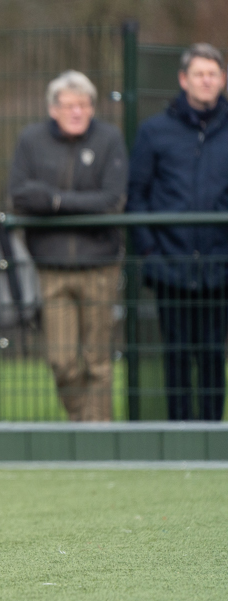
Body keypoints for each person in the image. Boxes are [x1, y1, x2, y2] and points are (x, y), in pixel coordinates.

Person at [8, 70, 128, 421]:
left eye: (84, 105)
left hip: (100, 264)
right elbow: (19, 195)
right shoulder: (31, 140)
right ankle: (82, 420)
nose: (77, 111)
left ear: (92, 108)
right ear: (53, 109)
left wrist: (55, 202)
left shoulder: (109, 139)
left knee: (98, 359)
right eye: (69, 105)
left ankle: (98, 436)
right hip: (51, 265)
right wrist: (74, 202)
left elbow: (112, 199)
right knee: (61, 360)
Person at [128, 43, 228, 421]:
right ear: (184, 80)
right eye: (199, 74)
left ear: (222, 80)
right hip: (170, 266)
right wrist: (151, 252)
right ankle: (179, 433)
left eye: (213, 74)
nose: (206, 81)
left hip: (220, 268)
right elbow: (136, 195)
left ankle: (214, 432)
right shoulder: (155, 132)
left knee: (213, 355)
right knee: (177, 353)